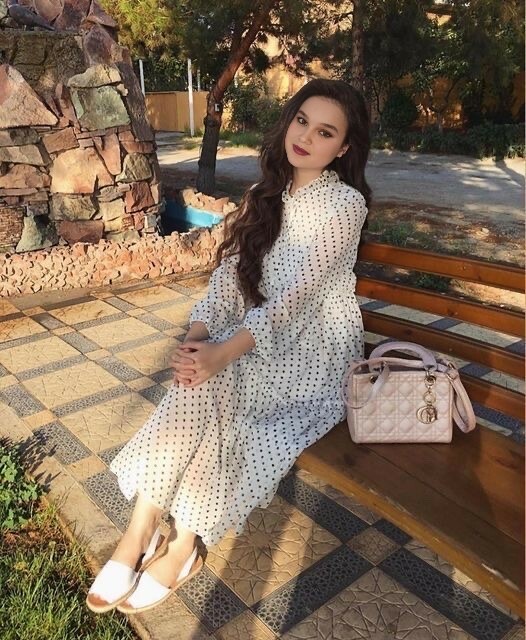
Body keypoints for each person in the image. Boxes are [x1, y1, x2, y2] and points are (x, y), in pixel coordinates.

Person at [86, 78, 372, 614]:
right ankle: (141, 533)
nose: (306, 137)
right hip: (257, 340)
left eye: (325, 132)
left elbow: (296, 298)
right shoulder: (268, 193)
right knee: (199, 377)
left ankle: (181, 544)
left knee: (219, 383)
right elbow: (229, 278)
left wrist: (221, 353)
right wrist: (198, 336)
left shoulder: (344, 204)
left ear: (344, 148)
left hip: (312, 355)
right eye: (302, 121)